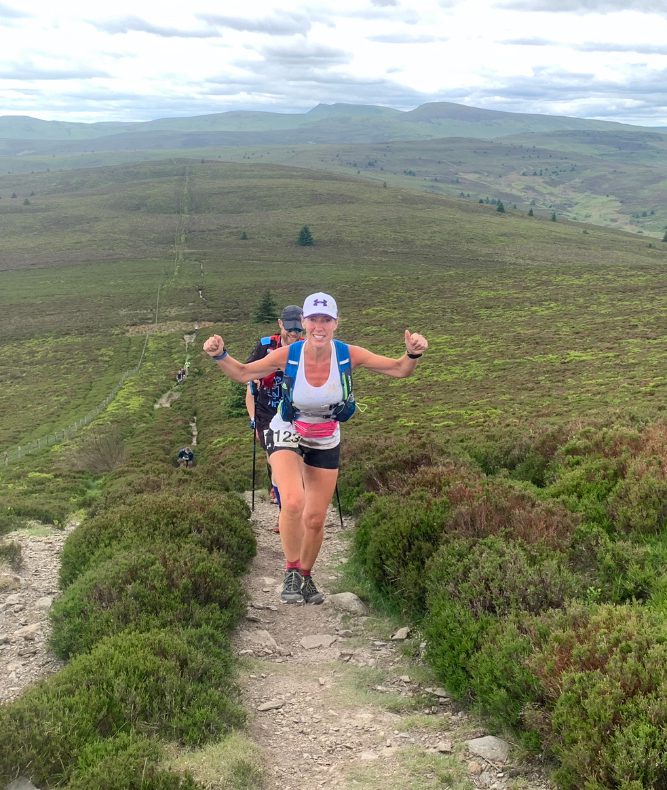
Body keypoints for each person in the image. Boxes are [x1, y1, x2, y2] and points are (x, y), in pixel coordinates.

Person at [203, 292, 427, 605]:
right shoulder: (289, 354)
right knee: (293, 501)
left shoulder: (348, 354)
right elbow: (244, 373)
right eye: (313, 319)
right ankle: (291, 572)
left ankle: (306, 577)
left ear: (336, 323)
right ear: (305, 322)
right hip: (286, 430)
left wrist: (412, 354)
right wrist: (220, 354)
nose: (318, 326)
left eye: (326, 319)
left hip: (325, 437)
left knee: (315, 519)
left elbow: (399, 369)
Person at [245, 305, 304, 511]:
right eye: (290, 328)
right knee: (274, 459)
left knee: (296, 460)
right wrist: (253, 419)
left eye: (299, 329)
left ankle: (291, 502)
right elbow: (249, 382)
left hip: (296, 414)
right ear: (280, 324)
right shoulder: (265, 346)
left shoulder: (307, 347)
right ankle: (284, 510)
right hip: (267, 414)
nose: (294, 333)